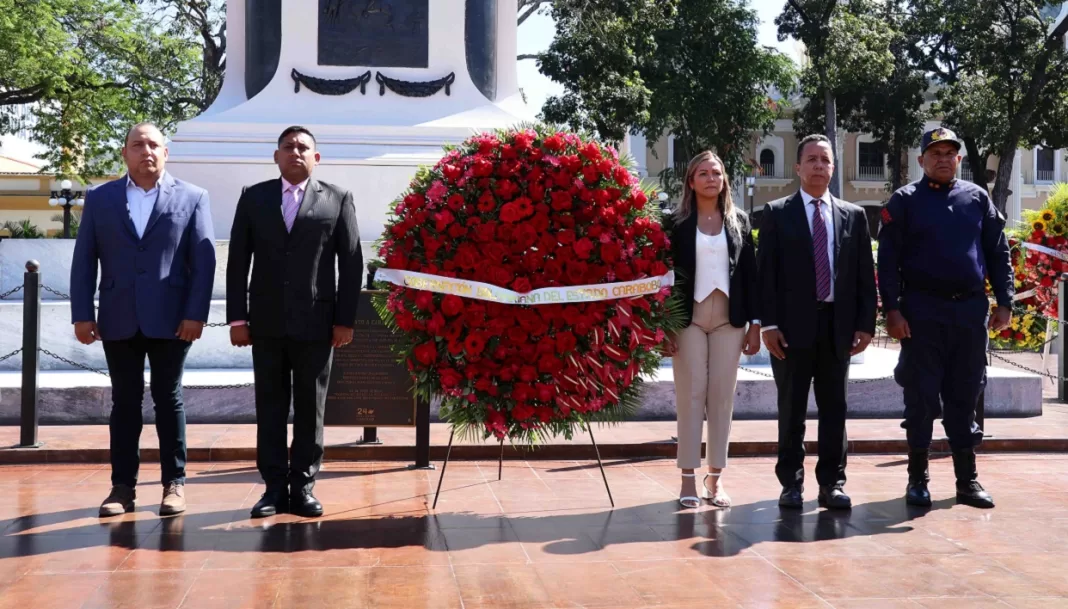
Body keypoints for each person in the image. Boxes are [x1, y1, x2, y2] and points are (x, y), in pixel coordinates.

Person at [70, 122, 216, 517]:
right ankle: (122, 488)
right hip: (117, 317)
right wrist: (82, 314)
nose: (146, 151)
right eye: (138, 145)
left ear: (166, 153)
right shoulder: (100, 199)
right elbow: (85, 259)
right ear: (124, 153)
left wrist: (195, 314)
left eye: (154, 145)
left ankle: (175, 484)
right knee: (124, 403)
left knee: (169, 400)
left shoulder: (193, 197)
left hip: (172, 320)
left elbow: (203, 263)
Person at [227, 126, 362, 518]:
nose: (295, 152)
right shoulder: (254, 198)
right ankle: (272, 488)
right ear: (276, 156)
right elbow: (238, 262)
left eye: (304, 147)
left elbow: (351, 263)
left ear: (316, 158)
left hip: (317, 325)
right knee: (269, 407)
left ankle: (303, 486)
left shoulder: (336, 199)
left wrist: (345, 320)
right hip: (265, 323)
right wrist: (238, 318)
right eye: (288, 147)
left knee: (310, 408)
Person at [877, 127, 1012, 509]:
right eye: (934, 152)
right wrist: (892, 310)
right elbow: (887, 262)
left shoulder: (977, 198)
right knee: (920, 397)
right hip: (921, 312)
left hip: (969, 312)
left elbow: (997, 252)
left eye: (949, 152)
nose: (942, 158)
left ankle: (967, 481)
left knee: (965, 394)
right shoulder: (904, 201)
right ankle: (917, 479)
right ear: (921, 160)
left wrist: (1005, 301)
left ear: (959, 159)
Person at [757, 134, 877, 510]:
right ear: (797, 167)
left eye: (825, 160)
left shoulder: (852, 216)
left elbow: (863, 276)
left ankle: (832, 484)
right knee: (791, 409)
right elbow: (767, 275)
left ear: (833, 167)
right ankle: (791, 484)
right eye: (811, 160)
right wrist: (768, 325)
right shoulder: (776, 213)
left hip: (837, 329)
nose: (818, 166)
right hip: (790, 332)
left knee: (834, 409)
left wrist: (865, 324)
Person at [664, 151, 762, 509]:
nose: (710, 178)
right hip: (687, 318)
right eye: (702, 173)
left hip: (729, 319)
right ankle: (687, 477)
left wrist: (755, 325)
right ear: (691, 181)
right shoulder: (674, 223)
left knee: (722, 397)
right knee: (691, 394)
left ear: (724, 180)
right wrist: (664, 326)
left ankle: (715, 478)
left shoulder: (738, 221)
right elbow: (664, 279)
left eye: (716, 173)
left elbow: (751, 277)